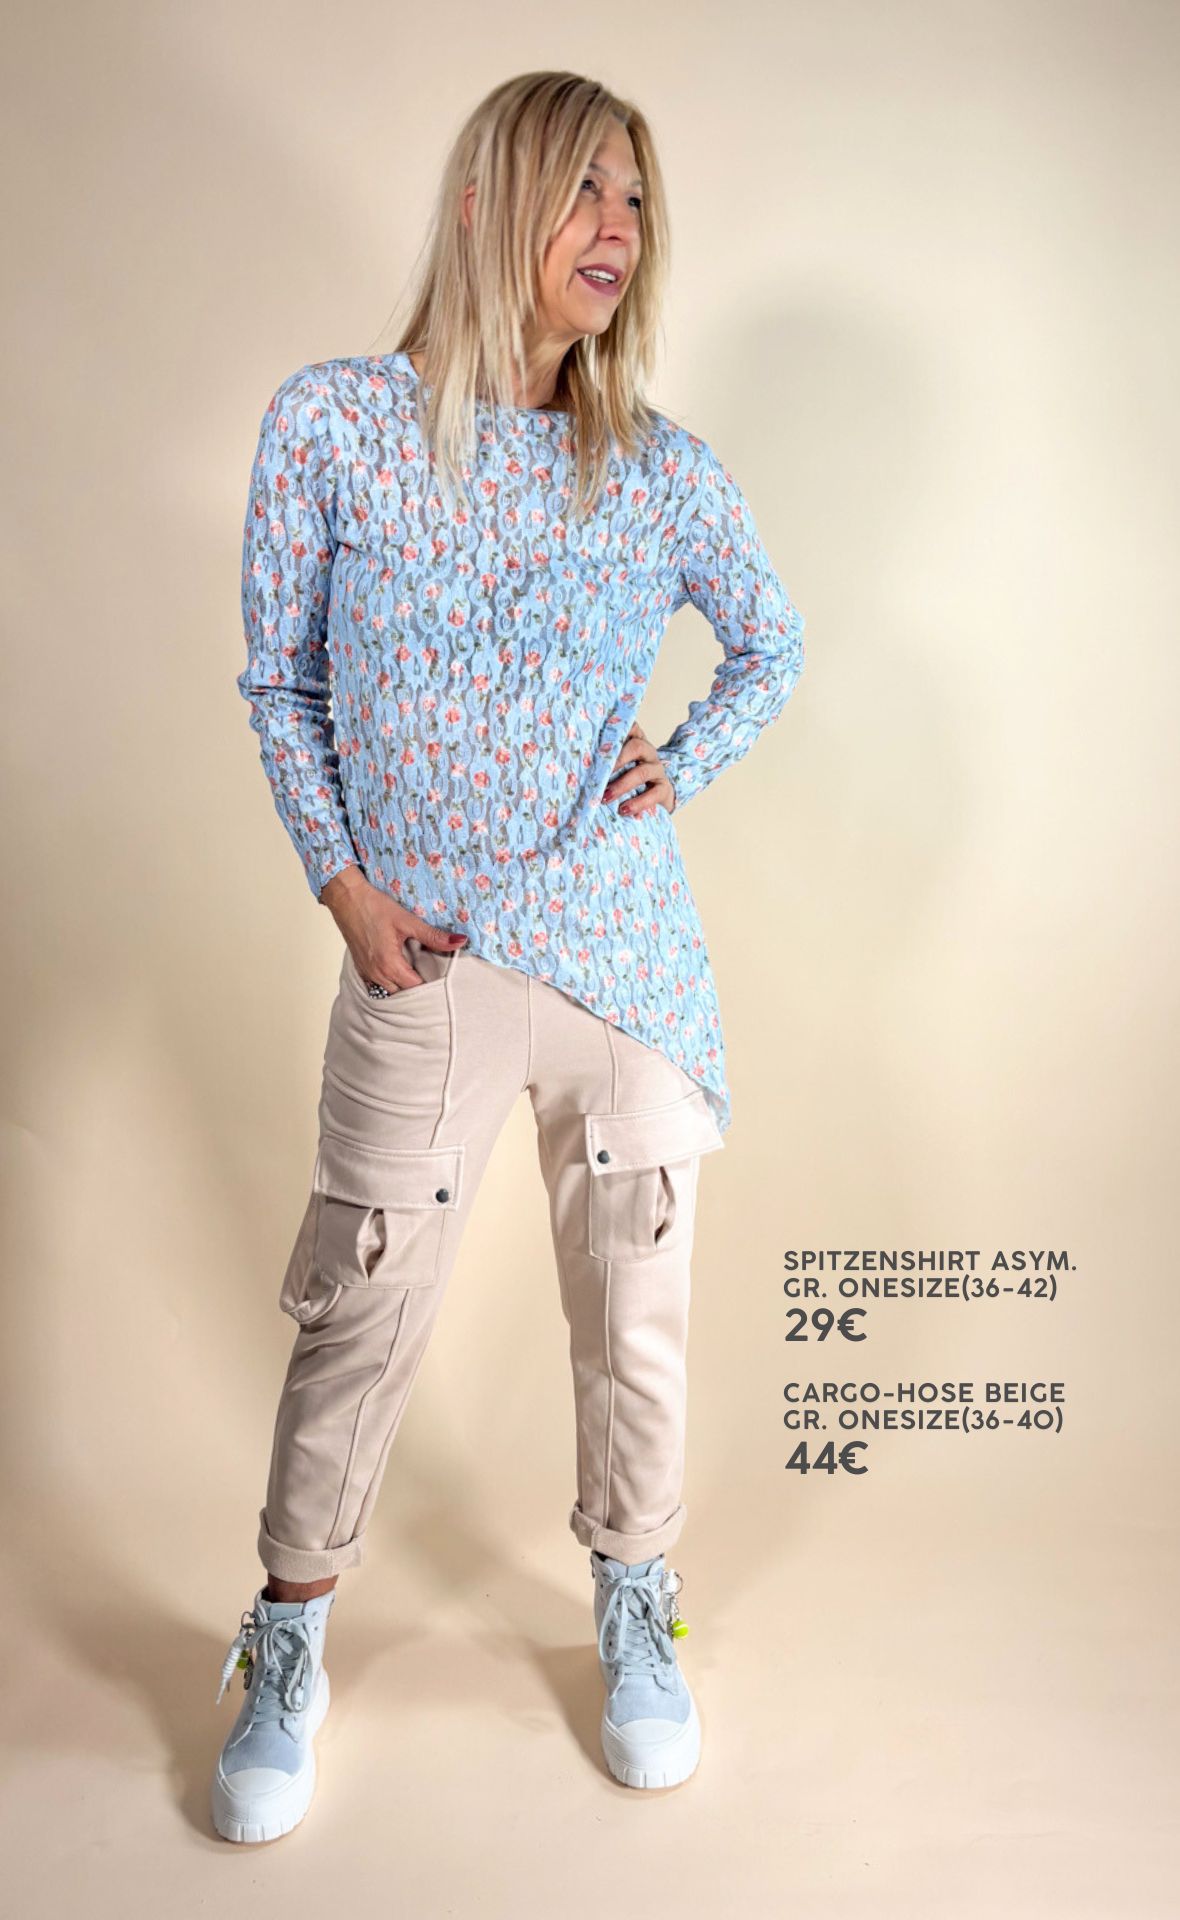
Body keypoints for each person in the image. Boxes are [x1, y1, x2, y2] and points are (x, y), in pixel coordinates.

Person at [212, 69, 806, 1843]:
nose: (619, 229)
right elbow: (281, 682)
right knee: (362, 1305)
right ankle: (288, 1635)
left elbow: (769, 644)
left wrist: (681, 761)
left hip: (623, 963)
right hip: (424, 958)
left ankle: (637, 1599)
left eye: (637, 201)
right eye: (585, 191)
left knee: (636, 1316)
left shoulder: (660, 471)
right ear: (488, 204)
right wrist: (343, 888)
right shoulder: (335, 426)